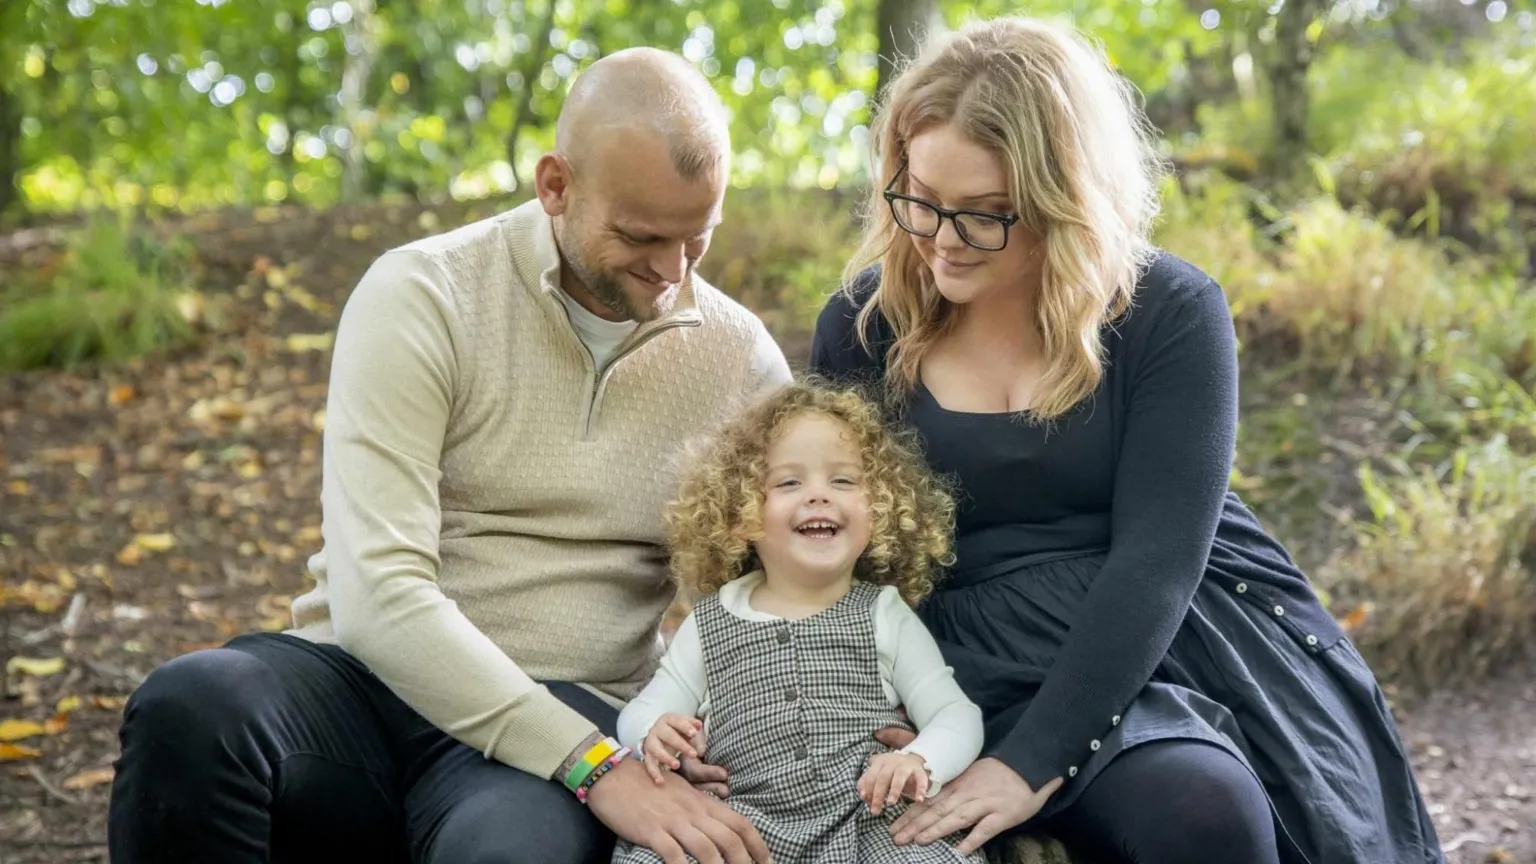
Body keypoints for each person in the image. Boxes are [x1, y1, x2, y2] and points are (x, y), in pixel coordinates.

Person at [107, 47, 793, 864]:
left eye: (697, 240)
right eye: (641, 237)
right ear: (555, 186)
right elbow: (380, 592)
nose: (670, 275)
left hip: (570, 707)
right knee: (191, 707)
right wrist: (595, 764)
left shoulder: (741, 360)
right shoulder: (424, 294)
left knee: (508, 854)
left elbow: (777, 593)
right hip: (358, 688)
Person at [808, 16, 1444, 864]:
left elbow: (1156, 562)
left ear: (1062, 199)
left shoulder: (1168, 314)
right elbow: (823, 535)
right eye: (920, 198)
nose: (941, 240)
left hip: (1144, 648)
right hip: (943, 657)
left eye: (985, 215)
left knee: (1202, 811)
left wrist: (1028, 762)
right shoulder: (866, 327)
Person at [610, 381, 987, 864]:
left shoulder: (883, 613)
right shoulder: (711, 621)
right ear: (741, 511)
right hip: (744, 820)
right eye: (789, 483)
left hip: (867, 819)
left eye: (843, 481)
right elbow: (642, 711)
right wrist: (654, 732)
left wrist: (918, 759)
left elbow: (955, 715)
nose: (818, 496)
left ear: (881, 508)